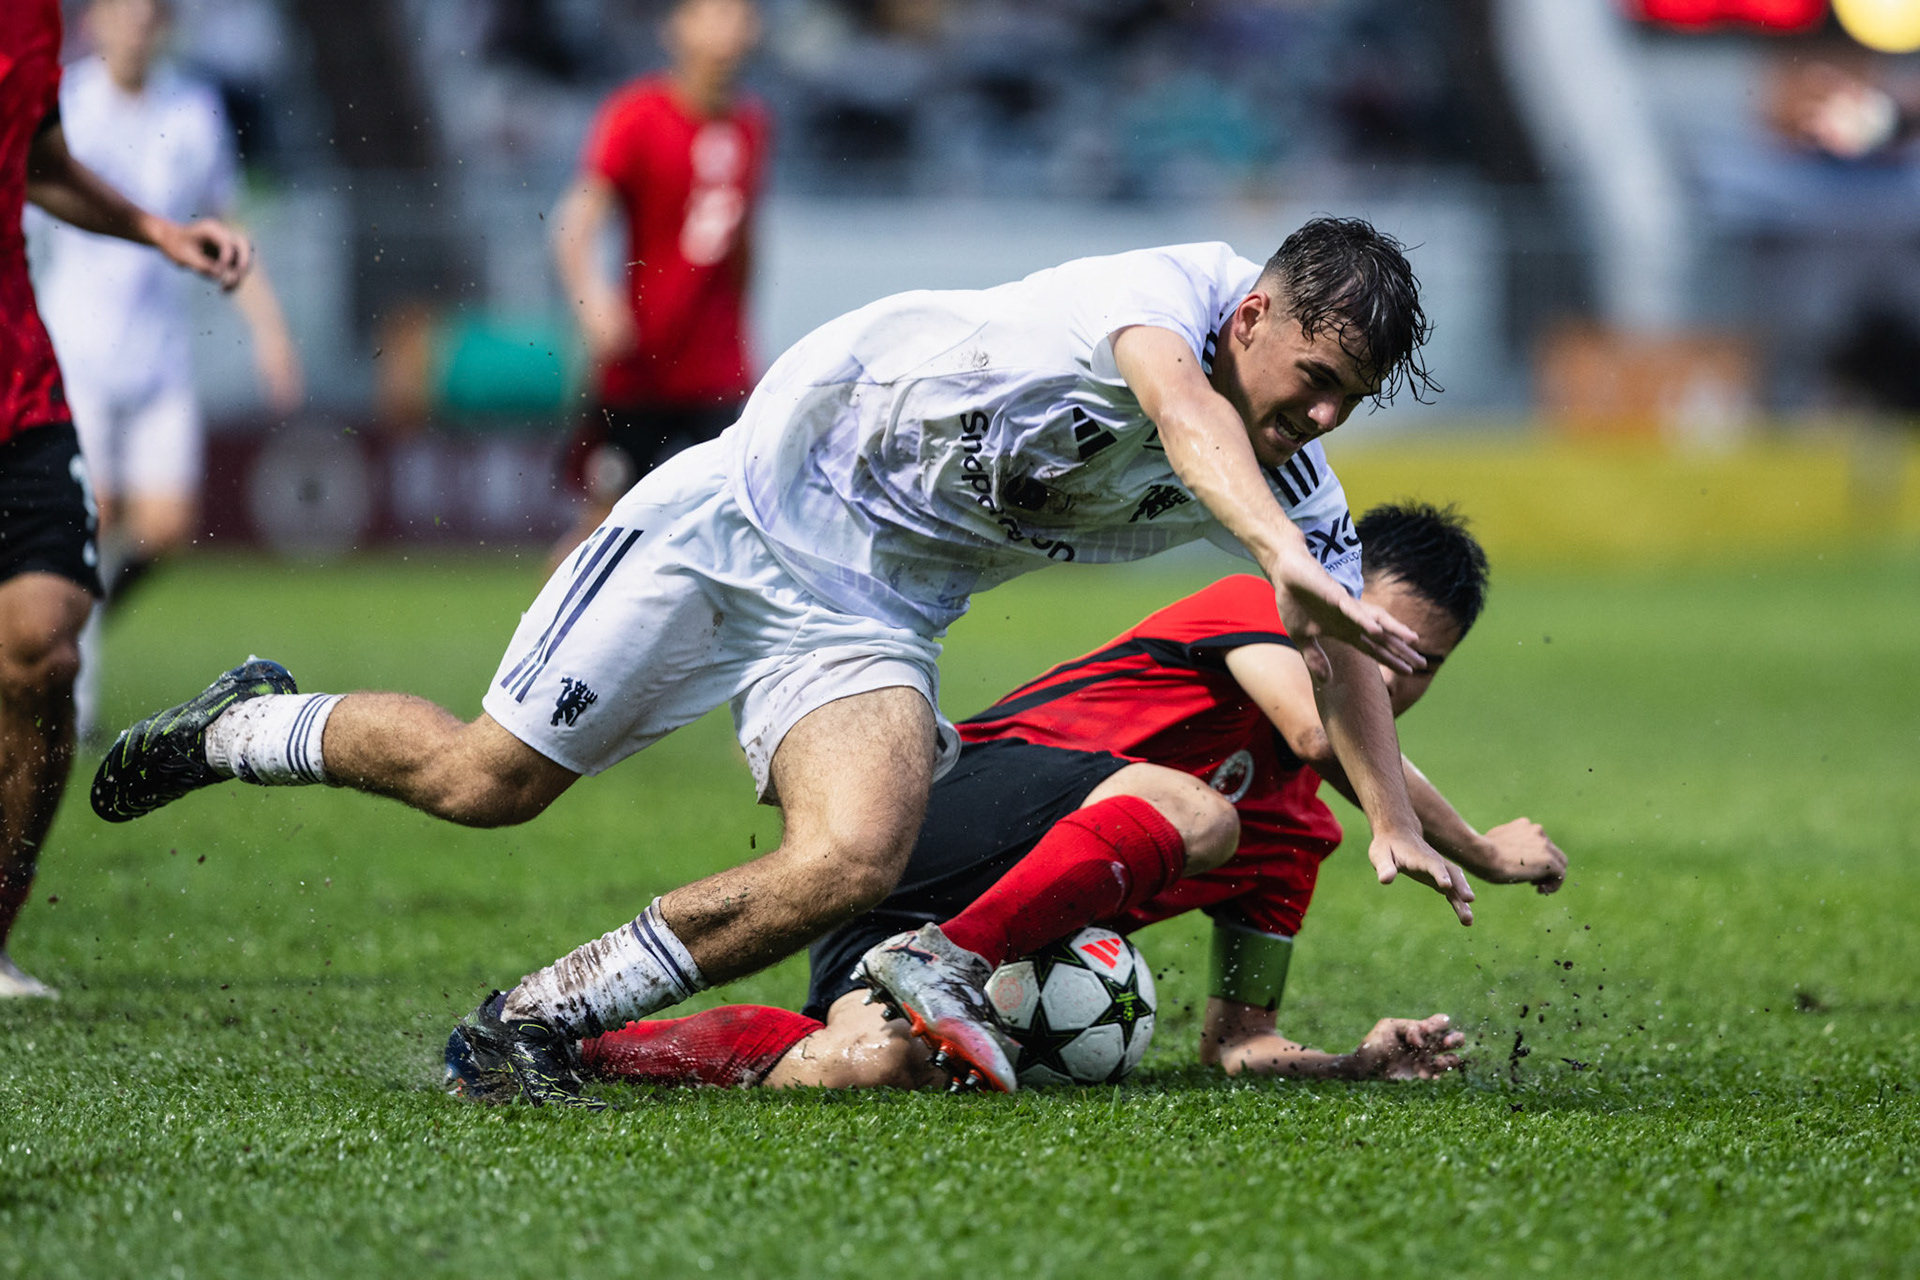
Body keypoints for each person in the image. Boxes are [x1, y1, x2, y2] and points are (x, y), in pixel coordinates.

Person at [93, 217, 1472, 1102]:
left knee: (858, 855)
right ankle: (242, 727)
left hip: (872, 603)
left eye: (1354, 397)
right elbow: (1181, 414)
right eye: (1316, 378)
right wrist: (1278, 556)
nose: (1327, 415)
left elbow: (1339, 644)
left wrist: (1400, 818)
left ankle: (525, 1024)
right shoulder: (1164, 301)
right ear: (1253, 321)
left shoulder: (1299, 484)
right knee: (483, 780)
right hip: (742, 507)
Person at [443, 503, 1566, 1098]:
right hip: (933, 813)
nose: (1392, 675)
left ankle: (563, 1047)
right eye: (1377, 635)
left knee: (868, 1063)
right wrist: (1468, 839)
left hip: (916, 932)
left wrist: (1350, 1063)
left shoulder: (1301, 835)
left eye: (1422, 662)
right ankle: (951, 960)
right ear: (1323, 593)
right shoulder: (1246, 606)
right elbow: (1318, 729)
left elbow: (1241, 1042)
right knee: (1194, 813)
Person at [0, 0, 250, 997]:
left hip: (22, 388)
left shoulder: (34, 20)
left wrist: (155, 229)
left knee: (48, 643)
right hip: (79, 368)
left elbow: (41, 163)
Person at [34, 0, 302, 738]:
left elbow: (224, 222)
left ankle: (76, 636)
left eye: (153, 12)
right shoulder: (71, 101)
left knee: (168, 528)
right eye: (128, 10)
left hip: (158, 351)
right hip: (78, 346)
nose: (141, 24)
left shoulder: (192, 109)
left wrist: (270, 330)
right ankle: (69, 684)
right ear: (100, 20)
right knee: (99, 516)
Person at [550, 0, 767, 559]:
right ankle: (549, 643)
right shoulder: (637, 116)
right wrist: (594, 301)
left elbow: (744, 242)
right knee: (604, 533)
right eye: (715, 13)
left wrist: (746, 333)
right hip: (640, 367)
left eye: (741, 15)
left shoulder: (751, 125)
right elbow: (575, 226)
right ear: (678, 28)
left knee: (747, 531)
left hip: (718, 372)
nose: (730, 29)